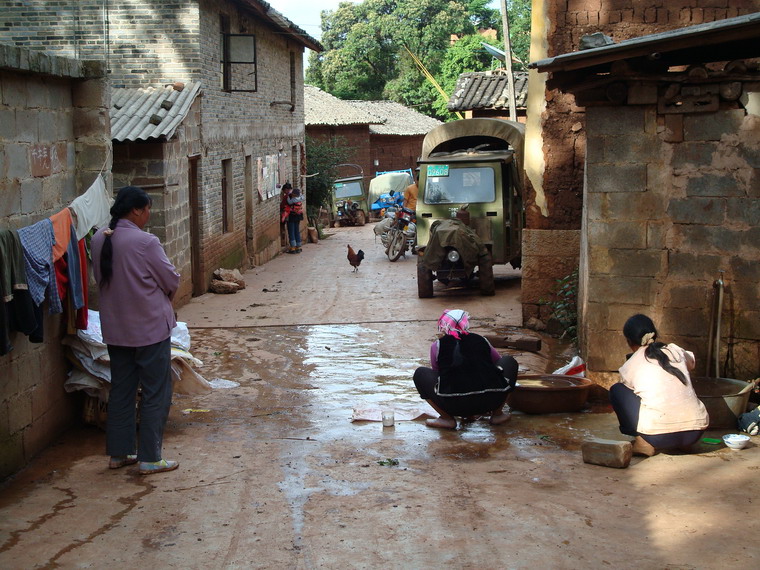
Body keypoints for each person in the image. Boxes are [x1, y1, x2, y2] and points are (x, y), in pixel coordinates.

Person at [91, 186, 181, 475]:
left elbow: (101, 279)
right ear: (137, 210)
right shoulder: (145, 242)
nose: (149, 215)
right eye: (148, 209)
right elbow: (170, 279)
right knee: (156, 392)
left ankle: (120, 453)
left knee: (122, 390)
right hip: (150, 328)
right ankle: (150, 457)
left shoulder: (98, 238)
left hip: (116, 329)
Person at [610, 314, 709, 456]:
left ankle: (643, 443)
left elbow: (631, 395)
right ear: (655, 334)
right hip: (695, 432)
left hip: (659, 437)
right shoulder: (675, 350)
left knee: (617, 390)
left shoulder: (630, 365)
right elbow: (691, 363)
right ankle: (685, 444)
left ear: (629, 341)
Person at [413, 309, 518, 429]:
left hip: (453, 405)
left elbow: (438, 374)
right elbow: (497, 363)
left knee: (420, 373)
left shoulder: (437, 345)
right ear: (466, 323)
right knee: (509, 361)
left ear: (443, 326)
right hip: (490, 401)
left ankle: (447, 418)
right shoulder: (481, 340)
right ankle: (498, 414)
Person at [286, 187, 304, 253]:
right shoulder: (300, 198)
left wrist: (288, 195)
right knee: (297, 231)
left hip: (292, 216)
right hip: (298, 216)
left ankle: (293, 247)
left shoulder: (293, 200)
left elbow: (289, 202)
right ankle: (298, 246)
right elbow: (302, 196)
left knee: (291, 231)